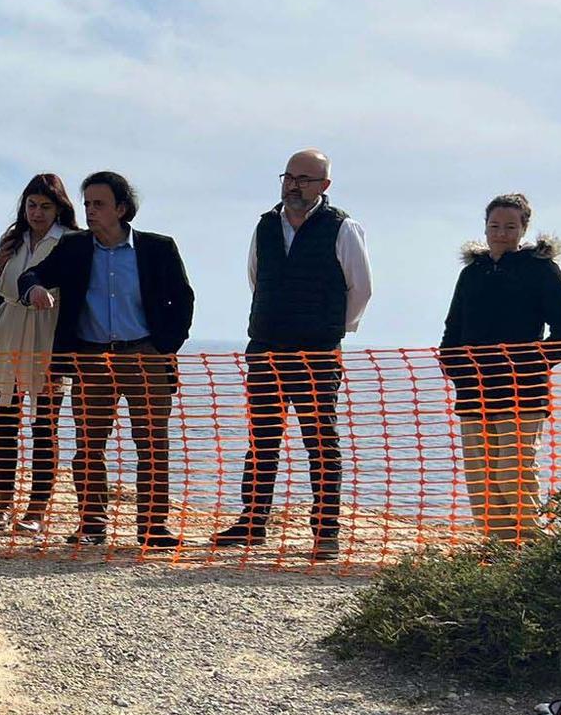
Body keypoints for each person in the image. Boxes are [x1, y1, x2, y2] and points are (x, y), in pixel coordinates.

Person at [19, 172, 195, 548]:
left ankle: (152, 527)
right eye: (86, 204)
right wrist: (33, 288)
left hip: (145, 357)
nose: (90, 211)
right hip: (91, 360)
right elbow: (33, 273)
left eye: (98, 204)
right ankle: (92, 524)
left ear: (122, 208)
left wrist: (165, 347)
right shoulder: (74, 248)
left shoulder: (158, 248)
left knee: (151, 444)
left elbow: (183, 300)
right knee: (88, 445)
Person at [212, 149, 371, 560]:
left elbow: (360, 289)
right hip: (265, 348)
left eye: (304, 178)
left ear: (325, 186)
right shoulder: (265, 226)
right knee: (262, 439)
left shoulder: (343, 227)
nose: (294, 185)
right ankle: (253, 521)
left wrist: (331, 330)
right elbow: (255, 278)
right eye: (289, 177)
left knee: (320, 441)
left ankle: (325, 531)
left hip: (317, 353)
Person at [439, 194, 561, 545]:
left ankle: (532, 546)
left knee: (513, 470)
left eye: (509, 227)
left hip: (523, 391)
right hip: (473, 391)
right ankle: (500, 548)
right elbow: (453, 329)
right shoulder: (471, 274)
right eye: (494, 226)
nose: (501, 233)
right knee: (481, 474)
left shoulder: (540, 268)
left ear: (523, 229)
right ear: (484, 227)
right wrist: (455, 366)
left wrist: (533, 364)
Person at [0, 175, 76, 535]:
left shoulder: (70, 241)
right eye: (32, 205)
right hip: (7, 332)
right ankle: (3, 503)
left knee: (44, 425)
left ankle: (37, 507)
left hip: (48, 335)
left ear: (59, 209)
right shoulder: (11, 241)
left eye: (46, 206)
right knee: (4, 422)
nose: (37, 213)